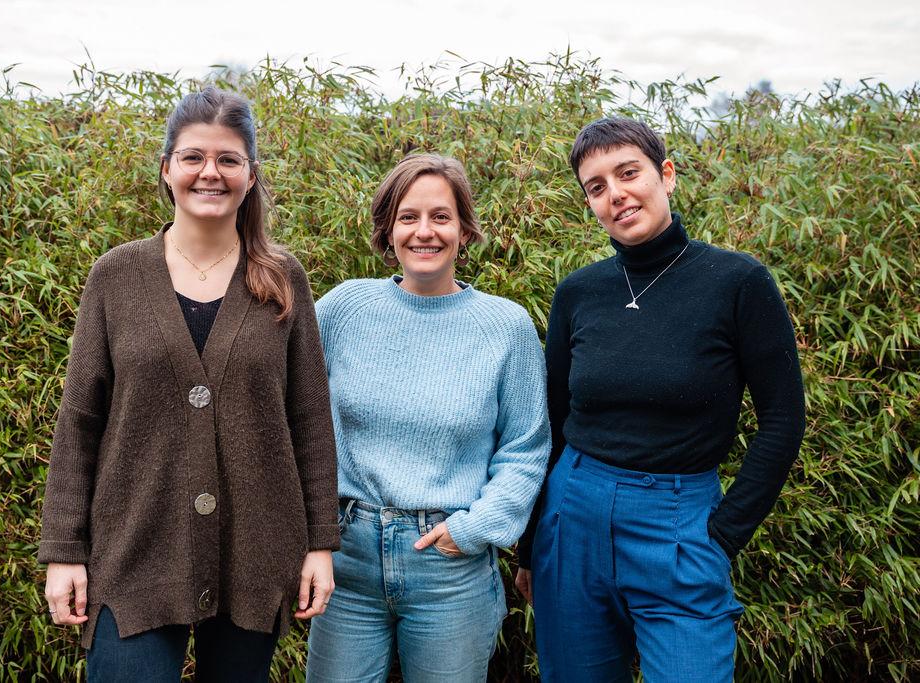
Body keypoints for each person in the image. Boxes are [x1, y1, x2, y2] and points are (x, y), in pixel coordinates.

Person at [38, 87, 339, 682]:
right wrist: (64, 552)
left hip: (256, 547)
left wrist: (319, 542)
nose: (211, 172)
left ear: (251, 175)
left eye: (228, 159)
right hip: (135, 550)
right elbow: (79, 423)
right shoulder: (117, 277)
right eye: (194, 157)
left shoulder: (282, 278)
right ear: (167, 169)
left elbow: (309, 418)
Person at [514, 117, 806, 682]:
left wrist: (721, 539)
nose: (616, 194)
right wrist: (531, 547)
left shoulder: (739, 282)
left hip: (679, 523)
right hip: (571, 518)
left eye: (629, 173)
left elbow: (783, 419)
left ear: (665, 175)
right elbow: (549, 421)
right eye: (596, 187)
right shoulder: (578, 292)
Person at [305, 154, 551, 682]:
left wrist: (474, 529)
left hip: (450, 567)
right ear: (388, 230)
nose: (424, 232)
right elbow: (291, 408)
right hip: (346, 557)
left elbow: (526, 448)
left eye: (441, 217)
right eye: (408, 217)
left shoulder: (505, 327)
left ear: (464, 230)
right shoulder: (344, 309)